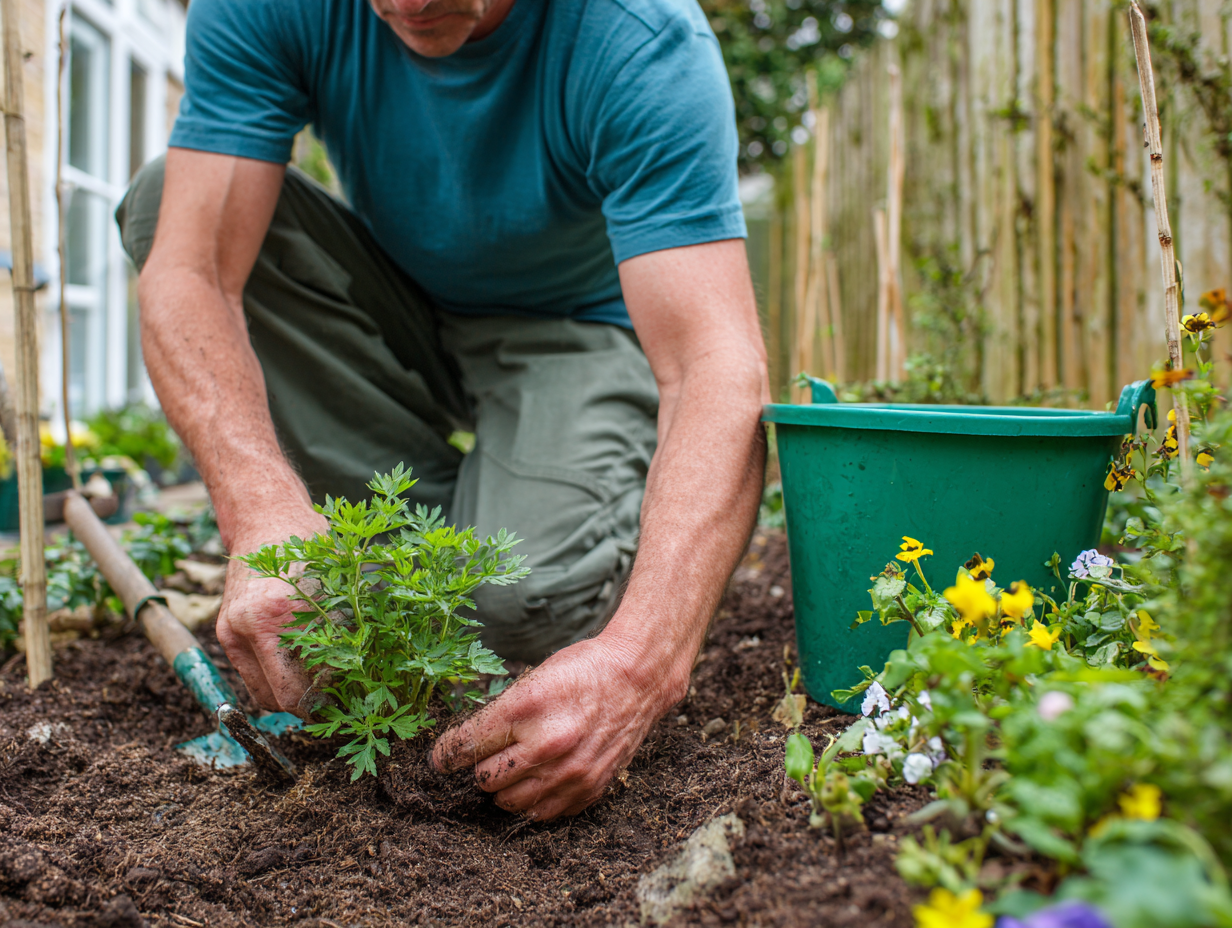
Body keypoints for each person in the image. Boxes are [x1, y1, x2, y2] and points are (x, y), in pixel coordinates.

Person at [118, 0, 768, 821]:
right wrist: (261, 510)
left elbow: (714, 363)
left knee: (517, 602)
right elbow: (192, 273)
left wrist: (642, 663)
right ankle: (425, 542)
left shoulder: (636, 41)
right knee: (159, 201)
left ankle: (509, 521)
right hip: (393, 298)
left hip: (573, 325)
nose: (408, 5)